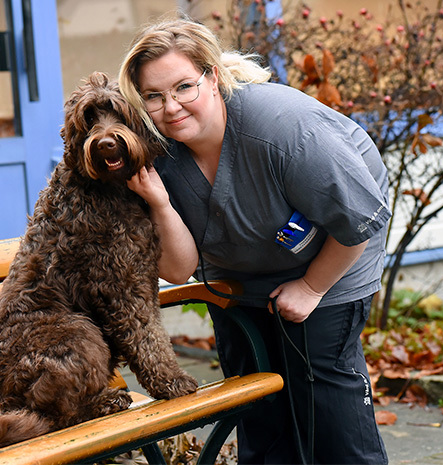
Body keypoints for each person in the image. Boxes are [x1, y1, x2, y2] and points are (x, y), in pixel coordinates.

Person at [119, 17, 391, 465]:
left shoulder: (286, 128)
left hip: (335, 252)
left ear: (212, 76)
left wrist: (312, 288)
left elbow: (357, 219)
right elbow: (177, 269)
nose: (171, 107)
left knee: (322, 391)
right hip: (241, 268)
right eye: (154, 96)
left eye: (184, 87)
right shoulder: (156, 152)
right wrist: (162, 205)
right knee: (258, 406)